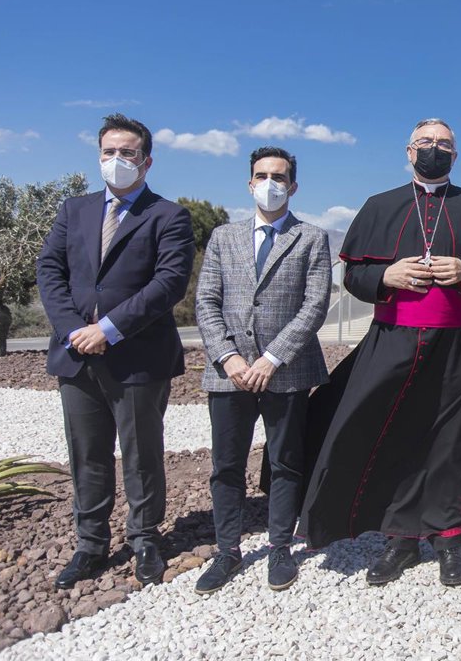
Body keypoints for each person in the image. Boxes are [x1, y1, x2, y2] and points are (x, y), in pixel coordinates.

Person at [298, 118, 461, 588]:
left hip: (457, 345)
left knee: (450, 441)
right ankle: (401, 541)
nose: (435, 149)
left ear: (456, 156)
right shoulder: (380, 205)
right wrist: (385, 276)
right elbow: (353, 275)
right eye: (426, 142)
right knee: (393, 435)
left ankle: (449, 539)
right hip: (393, 340)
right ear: (409, 151)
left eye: (444, 144)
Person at [35, 113, 194, 590]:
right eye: (109, 152)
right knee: (87, 455)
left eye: (127, 152)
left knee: (142, 454)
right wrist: (74, 331)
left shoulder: (168, 216)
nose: (117, 159)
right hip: (77, 356)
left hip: (139, 357)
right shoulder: (74, 209)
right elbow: (50, 270)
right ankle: (90, 544)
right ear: (98, 156)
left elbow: (168, 283)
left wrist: (108, 329)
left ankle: (145, 538)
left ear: (146, 161)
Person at [192, 146, 331, 594]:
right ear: (249, 183)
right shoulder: (223, 237)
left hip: (286, 372)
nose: (270, 184)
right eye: (262, 176)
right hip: (228, 373)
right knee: (226, 465)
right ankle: (227, 550)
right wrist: (228, 357)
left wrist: (271, 358)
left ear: (293, 186)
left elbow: (314, 305)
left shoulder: (311, 238)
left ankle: (279, 547)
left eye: (279, 177)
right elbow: (206, 301)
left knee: (285, 461)